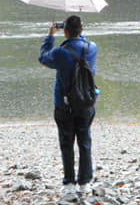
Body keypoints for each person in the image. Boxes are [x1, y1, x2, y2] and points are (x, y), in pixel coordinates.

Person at [38, 15, 97, 196]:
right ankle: (85, 182)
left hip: (64, 106)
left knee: (66, 143)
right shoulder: (92, 48)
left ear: (65, 31)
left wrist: (50, 36)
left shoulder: (60, 52)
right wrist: (80, 35)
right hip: (86, 103)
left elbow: (42, 58)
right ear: (82, 30)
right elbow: (82, 44)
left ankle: (70, 182)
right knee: (85, 142)